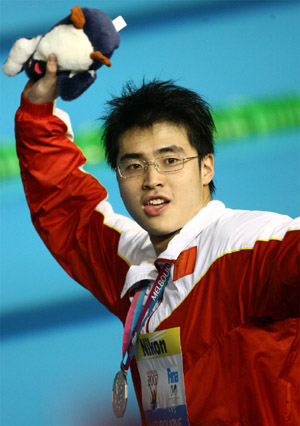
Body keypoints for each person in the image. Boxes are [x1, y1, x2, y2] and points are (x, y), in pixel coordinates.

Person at [15, 54, 299, 426]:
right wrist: (38, 106)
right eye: (134, 165)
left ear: (206, 167)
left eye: (170, 160)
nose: (152, 179)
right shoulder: (138, 267)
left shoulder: (248, 248)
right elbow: (67, 208)